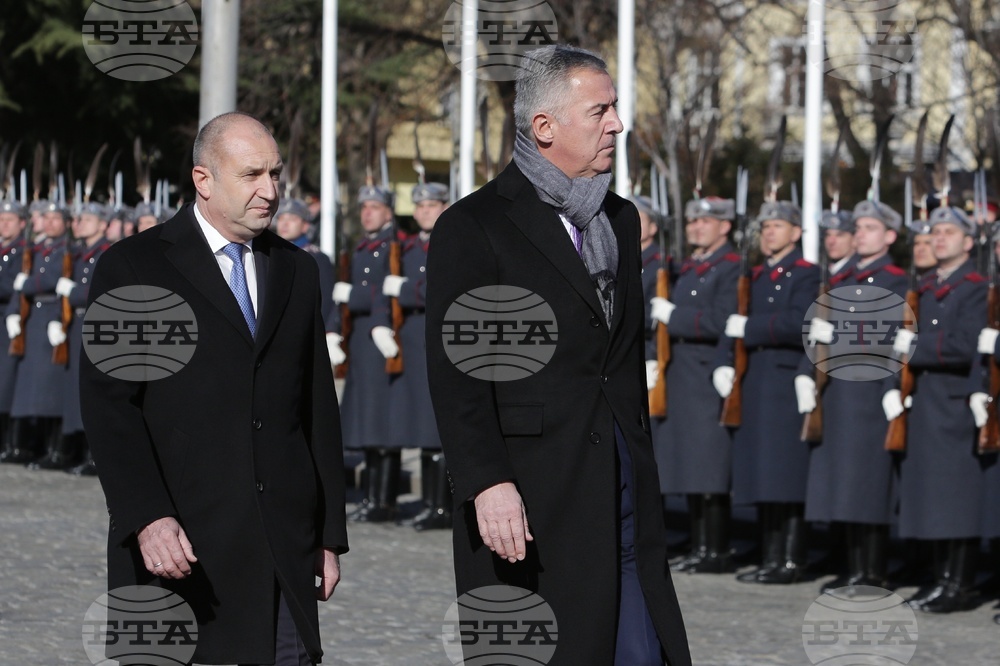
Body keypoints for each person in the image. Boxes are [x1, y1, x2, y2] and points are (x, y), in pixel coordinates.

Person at [425, 44, 690, 666]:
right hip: (528, 495)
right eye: (600, 110)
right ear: (544, 127)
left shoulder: (619, 218)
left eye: (616, 108)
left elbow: (617, 359)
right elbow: (459, 376)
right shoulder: (475, 226)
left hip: (619, 485)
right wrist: (487, 481)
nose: (617, 124)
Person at [80, 112, 349, 665]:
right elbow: (111, 410)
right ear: (204, 179)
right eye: (252, 175)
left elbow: (316, 408)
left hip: (280, 548)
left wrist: (328, 532)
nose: (270, 191)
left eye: (276, 174)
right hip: (178, 547)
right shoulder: (134, 266)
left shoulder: (297, 270)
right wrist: (147, 516)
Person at [798, 200, 907, 592]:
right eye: (858, 228)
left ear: (890, 236)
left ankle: (873, 568)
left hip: (870, 391)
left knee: (869, 486)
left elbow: (888, 338)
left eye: (870, 228)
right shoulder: (844, 279)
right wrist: (805, 372)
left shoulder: (896, 280)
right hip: (838, 393)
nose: (860, 234)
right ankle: (853, 564)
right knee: (844, 484)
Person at [885, 205, 987, 613]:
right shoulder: (926, 286)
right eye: (935, 232)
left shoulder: (976, 287)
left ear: (968, 241)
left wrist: (915, 349)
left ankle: (958, 582)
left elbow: (967, 343)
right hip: (925, 402)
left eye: (948, 232)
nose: (939, 238)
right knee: (931, 495)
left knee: (956, 498)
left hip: (954, 402)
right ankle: (939, 577)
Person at [714, 200, 820, 584]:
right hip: (756, 378)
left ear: (796, 232)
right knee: (761, 472)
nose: (769, 232)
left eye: (778, 226)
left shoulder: (805, 273)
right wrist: (726, 361)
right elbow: (734, 320)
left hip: (783, 377)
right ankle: (770, 553)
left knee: (785, 474)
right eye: (767, 226)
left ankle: (791, 558)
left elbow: (799, 322)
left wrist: (751, 328)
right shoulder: (756, 274)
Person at [651, 196, 738, 574]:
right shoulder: (691, 266)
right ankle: (698, 543)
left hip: (705, 369)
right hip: (682, 371)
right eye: (692, 222)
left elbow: (722, 319)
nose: (696, 227)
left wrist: (676, 316)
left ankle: (715, 548)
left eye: (705, 221)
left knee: (709, 464)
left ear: (725, 226)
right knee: (688, 462)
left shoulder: (730, 268)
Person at [383, 181, 451, 530]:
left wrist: (406, 289)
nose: (424, 210)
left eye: (432, 205)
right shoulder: (408, 248)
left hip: (436, 338)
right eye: (420, 206)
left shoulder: (453, 241)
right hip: (411, 340)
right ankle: (429, 502)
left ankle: (442, 507)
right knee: (420, 427)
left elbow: (442, 287)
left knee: (435, 427)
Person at [332, 185, 402, 522]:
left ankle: (383, 500)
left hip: (382, 339)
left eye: (375, 207)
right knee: (366, 422)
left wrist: (356, 300)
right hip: (360, 342)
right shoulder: (361, 248)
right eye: (364, 207)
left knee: (383, 423)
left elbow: (385, 292)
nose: (368, 213)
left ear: (389, 211)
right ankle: (372, 497)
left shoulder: (394, 247)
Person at [4, 201, 70, 465]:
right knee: (29, 390)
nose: (50, 222)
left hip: (53, 316)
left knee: (51, 391)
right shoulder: (41, 250)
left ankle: (51, 449)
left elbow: (56, 279)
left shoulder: (65, 251)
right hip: (33, 320)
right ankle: (23, 445)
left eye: (56, 218)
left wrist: (29, 284)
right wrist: (13, 312)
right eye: (47, 217)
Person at [0, 200, 25, 462]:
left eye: (9, 219)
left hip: (10, 319)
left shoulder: (22, 252)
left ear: (21, 223)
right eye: (1, 219)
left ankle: (11, 442)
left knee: (7, 385)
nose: (4, 224)